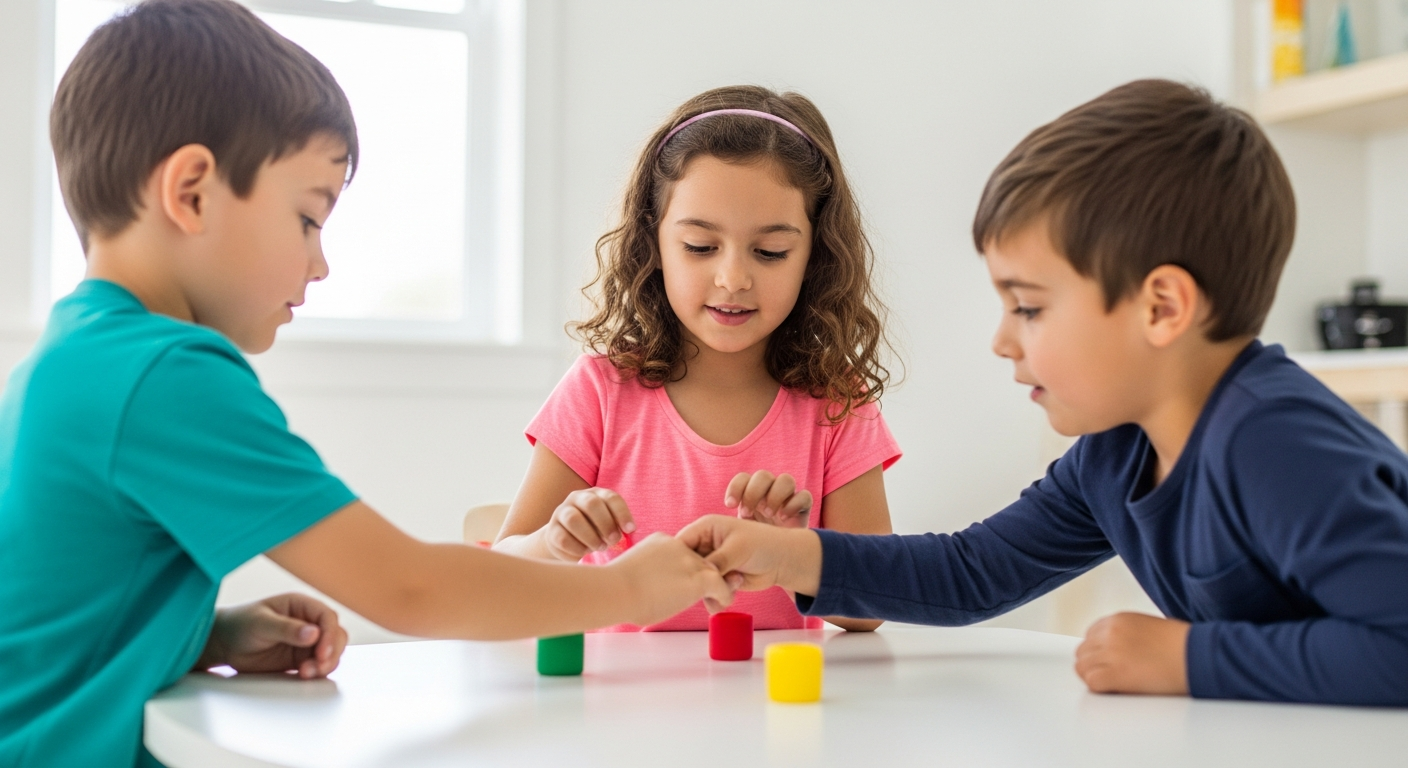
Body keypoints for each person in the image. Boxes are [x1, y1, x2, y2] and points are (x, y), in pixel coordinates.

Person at [0, 2, 731, 764]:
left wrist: (198, 636)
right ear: (191, 192)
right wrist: (634, 590)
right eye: (309, 218)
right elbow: (408, 587)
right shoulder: (163, 376)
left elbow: (45, 625)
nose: (320, 263)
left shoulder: (71, 357)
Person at [679, 79, 1408, 706]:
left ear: (1162, 308)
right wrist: (789, 556)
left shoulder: (1275, 441)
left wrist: (1185, 659)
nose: (1003, 339)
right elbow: (971, 574)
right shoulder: (1115, 455)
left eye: (1028, 306)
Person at [494, 86, 901, 632]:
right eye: (700, 247)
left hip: (775, 711)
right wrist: (555, 540)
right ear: (653, 243)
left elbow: (871, 608)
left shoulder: (837, 401)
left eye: (771, 252)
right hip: (617, 710)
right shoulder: (599, 390)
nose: (733, 278)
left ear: (816, 255)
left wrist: (793, 553)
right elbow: (500, 576)